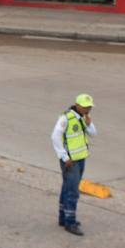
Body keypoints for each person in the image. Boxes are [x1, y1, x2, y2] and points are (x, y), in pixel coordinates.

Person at [51, 93, 96, 236]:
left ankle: (63, 217)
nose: (88, 109)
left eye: (89, 107)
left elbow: (94, 134)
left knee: (67, 188)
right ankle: (70, 222)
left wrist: (89, 123)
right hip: (71, 162)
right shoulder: (66, 118)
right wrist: (64, 157)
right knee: (73, 192)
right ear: (77, 105)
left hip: (80, 159)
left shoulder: (83, 118)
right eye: (85, 107)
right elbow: (55, 136)